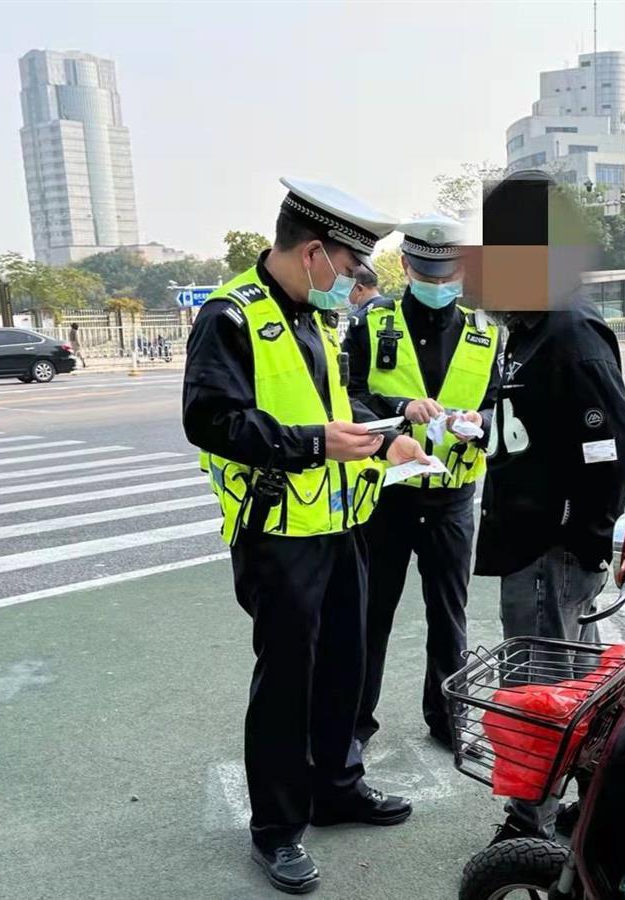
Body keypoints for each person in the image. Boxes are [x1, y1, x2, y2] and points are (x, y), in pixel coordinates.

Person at [182, 177, 428, 895]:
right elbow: (211, 419)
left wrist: (384, 438)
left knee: (345, 664)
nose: (352, 283)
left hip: (340, 522)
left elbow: (334, 404)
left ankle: (337, 789)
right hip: (277, 534)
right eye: (350, 267)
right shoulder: (231, 316)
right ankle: (277, 827)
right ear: (315, 252)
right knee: (288, 682)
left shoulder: (315, 317)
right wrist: (314, 444)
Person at [470, 170, 625, 843]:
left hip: (552, 546)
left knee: (540, 686)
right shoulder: (530, 326)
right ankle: (595, 805)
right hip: (528, 539)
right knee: (577, 682)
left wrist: (586, 537)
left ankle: (529, 825)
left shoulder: (568, 330)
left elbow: (610, 442)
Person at [343, 214, 501, 752]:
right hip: (386, 494)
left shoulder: (485, 333)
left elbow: (501, 407)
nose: (438, 285)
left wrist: (480, 423)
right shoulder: (371, 323)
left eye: (448, 276)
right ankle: (354, 725)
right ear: (406, 267)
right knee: (370, 615)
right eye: (428, 275)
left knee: (449, 617)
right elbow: (347, 397)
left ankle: (449, 718)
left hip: (452, 497)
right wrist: (398, 412)